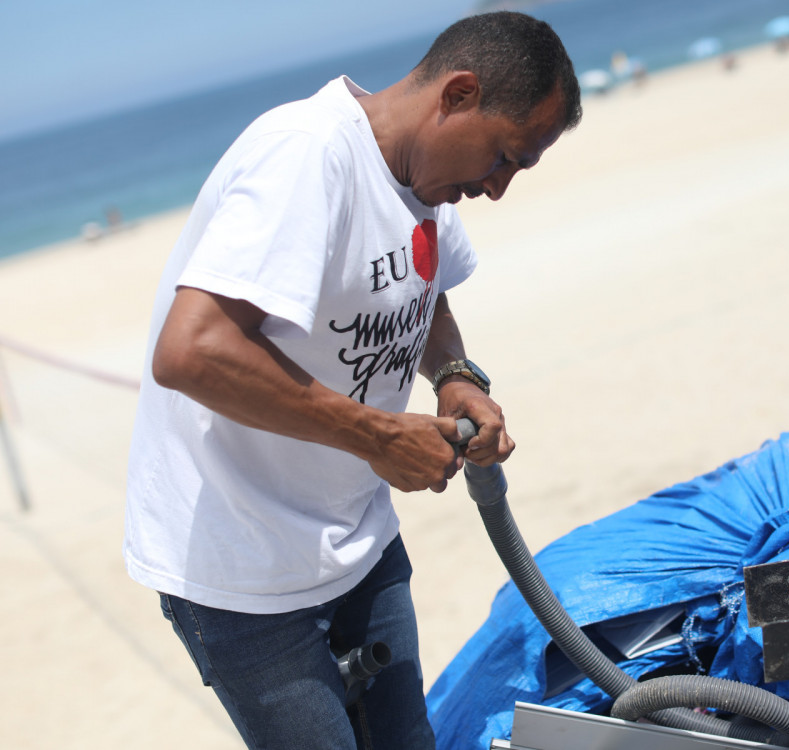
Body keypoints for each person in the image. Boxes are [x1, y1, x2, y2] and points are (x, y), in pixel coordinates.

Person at [123, 12, 582, 750]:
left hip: (357, 544)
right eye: (503, 156)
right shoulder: (306, 156)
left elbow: (420, 286)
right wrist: (375, 434)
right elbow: (191, 351)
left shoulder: (425, 178)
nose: (497, 188)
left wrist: (456, 377)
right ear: (457, 94)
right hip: (244, 575)